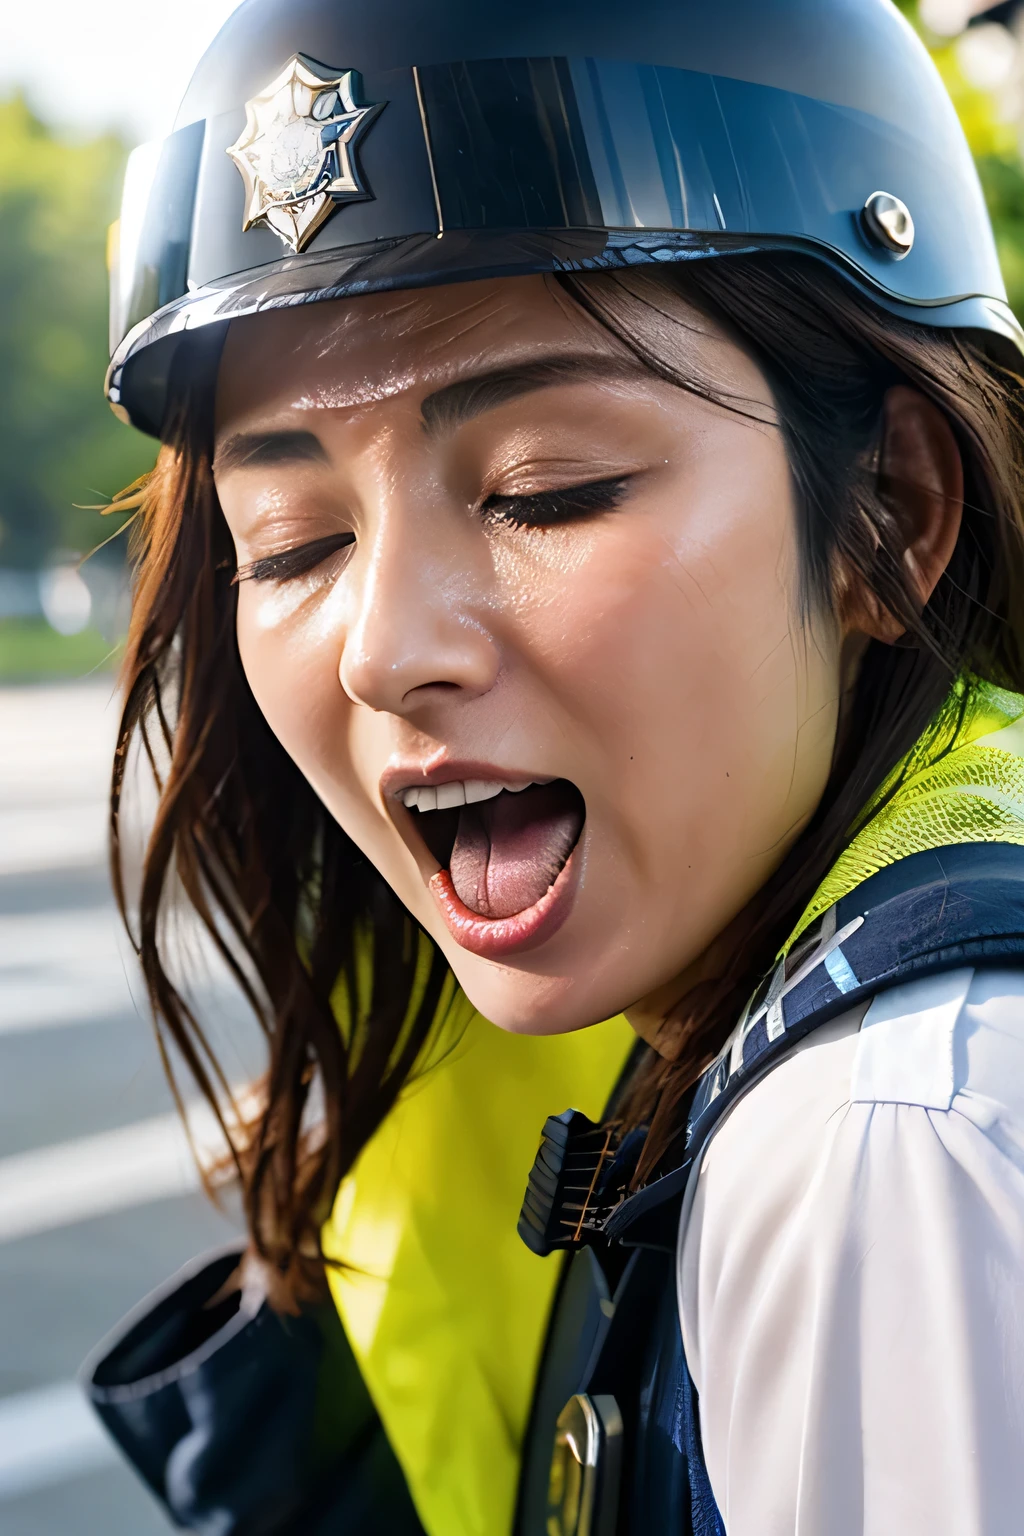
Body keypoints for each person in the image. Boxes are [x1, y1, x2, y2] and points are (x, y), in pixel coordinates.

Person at [85, 0, 1024, 1532]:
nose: (384, 652)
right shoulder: (697, 1029)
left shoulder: (902, 1137)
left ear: (889, 514)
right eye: (293, 544)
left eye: (545, 492)